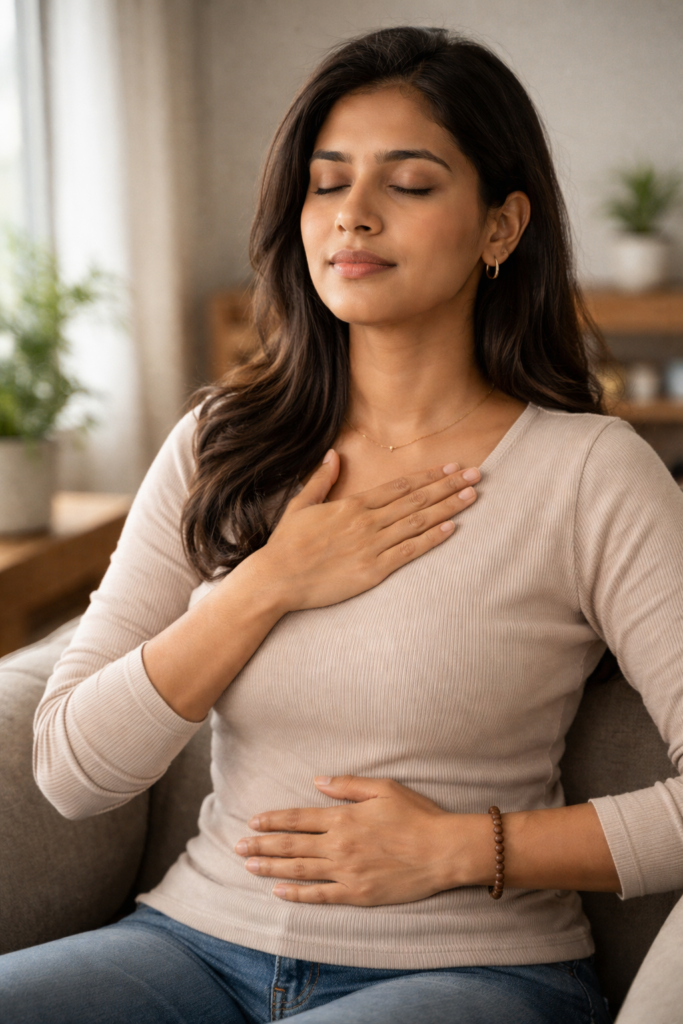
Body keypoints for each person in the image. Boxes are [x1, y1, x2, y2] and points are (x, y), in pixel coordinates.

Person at [2, 25, 682, 1024]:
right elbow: (66, 768)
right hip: (187, 945)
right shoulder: (219, 441)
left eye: (406, 183)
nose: (352, 216)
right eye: (327, 183)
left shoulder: (588, 472)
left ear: (500, 227)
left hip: (474, 975)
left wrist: (469, 846)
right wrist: (268, 582)